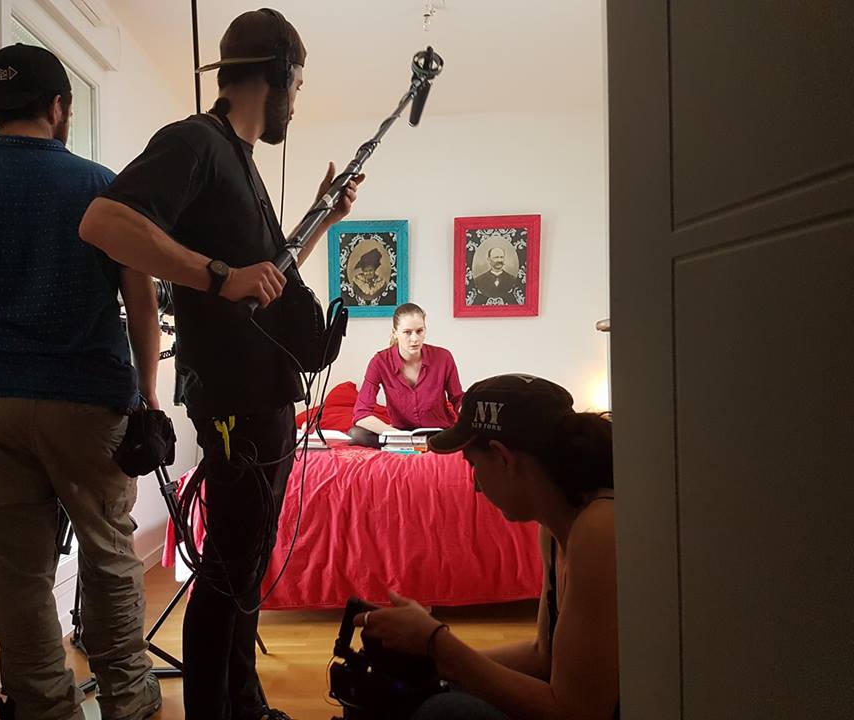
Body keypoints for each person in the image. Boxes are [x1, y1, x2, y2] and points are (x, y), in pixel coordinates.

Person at [78, 9, 362, 720]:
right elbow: (104, 222)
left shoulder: (240, 161)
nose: (297, 100)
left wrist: (323, 218)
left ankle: (246, 702)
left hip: (264, 397)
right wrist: (217, 275)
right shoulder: (196, 142)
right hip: (234, 399)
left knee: (247, 566)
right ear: (279, 74)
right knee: (229, 570)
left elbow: (265, 279)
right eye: (298, 84)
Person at [0, 44, 161, 720]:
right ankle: (128, 700)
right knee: (109, 556)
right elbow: (142, 303)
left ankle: (45, 708)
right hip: (88, 402)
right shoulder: (103, 187)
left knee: (18, 575)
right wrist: (148, 395)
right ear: (59, 107)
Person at [355, 375, 618, 720]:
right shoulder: (554, 526)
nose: (476, 485)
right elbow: (543, 656)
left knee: (446, 712)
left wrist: (438, 644)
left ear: (503, 458)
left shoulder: (599, 529)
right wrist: (431, 663)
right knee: (418, 693)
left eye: (473, 465)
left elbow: (576, 712)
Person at [349, 303, 463, 447]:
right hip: (400, 433)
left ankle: (419, 445)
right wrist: (397, 434)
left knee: (465, 436)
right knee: (356, 434)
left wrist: (470, 414)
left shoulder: (443, 357)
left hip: (438, 432)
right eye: (407, 332)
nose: (415, 339)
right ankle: (416, 445)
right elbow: (361, 414)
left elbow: (457, 399)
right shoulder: (379, 362)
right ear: (395, 332)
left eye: (419, 331)